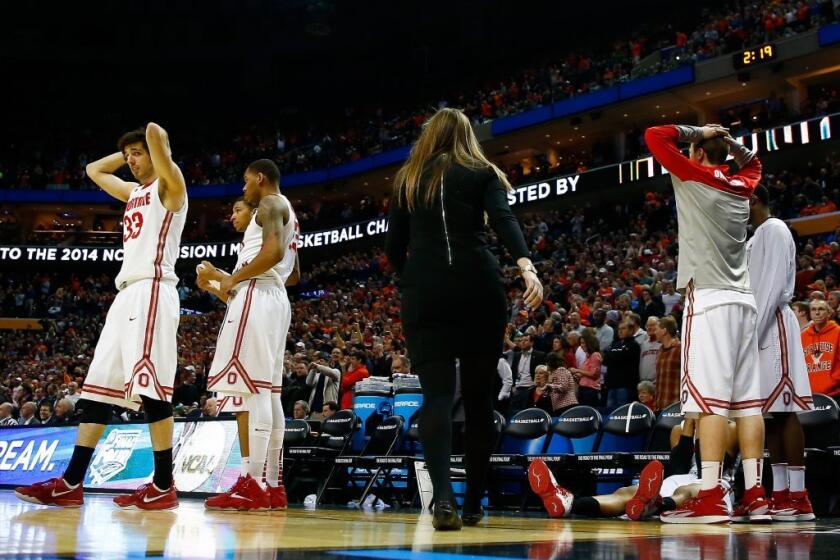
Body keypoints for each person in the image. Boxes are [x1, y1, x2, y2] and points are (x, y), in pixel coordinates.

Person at [385, 108, 542, 530]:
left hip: (425, 293)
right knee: (478, 401)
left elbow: (393, 248)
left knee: (435, 398)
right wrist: (526, 265)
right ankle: (473, 502)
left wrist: (412, 282)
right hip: (479, 287)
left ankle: (444, 502)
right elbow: (505, 219)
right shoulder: (483, 172)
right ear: (467, 135)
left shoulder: (408, 180)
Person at [16, 124, 187, 510]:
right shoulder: (135, 191)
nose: (130, 159)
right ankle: (71, 483)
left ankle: (164, 484)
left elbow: (158, 134)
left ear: (156, 154)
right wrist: (128, 151)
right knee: (97, 391)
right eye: (127, 154)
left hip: (152, 290)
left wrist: (153, 143)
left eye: (137, 153)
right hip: (124, 296)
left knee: (151, 389)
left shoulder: (170, 186)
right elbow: (95, 169)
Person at [645, 122, 766, 523]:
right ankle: (756, 495)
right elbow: (756, 164)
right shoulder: (742, 186)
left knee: (709, 402)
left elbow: (654, 136)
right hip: (743, 299)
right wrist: (731, 142)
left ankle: (711, 495)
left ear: (697, 153)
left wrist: (697, 130)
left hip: (710, 299)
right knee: (748, 405)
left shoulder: (692, 174)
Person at [199, 159, 300, 512]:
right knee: (269, 393)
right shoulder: (289, 211)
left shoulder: (271, 202)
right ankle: (273, 484)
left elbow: (271, 254)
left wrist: (235, 278)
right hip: (276, 299)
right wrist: (226, 278)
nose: (243, 188)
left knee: (253, 392)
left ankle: (253, 485)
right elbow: (292, 274)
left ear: (260, 178)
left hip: (258, 298)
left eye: (245, 181)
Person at [747, 183, 815, 521]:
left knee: (785, 409)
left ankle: (800, 495)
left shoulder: (774, 230)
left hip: (773, 323)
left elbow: (772, 288)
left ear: (753, 199)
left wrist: (751, 334)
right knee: (769, 413)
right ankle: (780, 492)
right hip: (760, 325)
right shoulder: (755, 236)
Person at [801, 299, 840, 398]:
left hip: (836, 393)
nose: (817, 313)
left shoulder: (838, 332)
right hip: (811, 394)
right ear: (810, 313)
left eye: (821, 309)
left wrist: (834, 380)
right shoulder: (803, 336)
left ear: (828, 313)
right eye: (813, 310)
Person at [602, 322, 641, 410]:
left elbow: (621, 358)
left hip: (625, 386)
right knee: (610, 413)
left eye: (623, 328)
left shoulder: (634, 345)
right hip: (612, 385)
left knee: (623, 412)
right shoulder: (615, 344)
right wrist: (616, 354)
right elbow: (605, 360)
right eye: (619, 329)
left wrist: (614, 354)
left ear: (631, 330)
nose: (620, 331)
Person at [511, 334, 547, 411]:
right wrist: (513, 385)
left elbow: (543, 372)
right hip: (517, 388)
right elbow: (513, 372)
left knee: (527, 411)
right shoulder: (516, 355)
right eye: (521, 340)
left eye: (525, 340)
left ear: (531, 343)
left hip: (531, 388)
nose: (522, 342)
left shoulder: (540, 355)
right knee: (513, 411)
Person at [654, 317, 682, 411]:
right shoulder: (660, 351)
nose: (655, 333)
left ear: (664, 331)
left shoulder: (680, 349)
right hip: (659, 406)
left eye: (656, 329)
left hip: (675, 407)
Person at [569, 330, 602, 408]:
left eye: (583, 343)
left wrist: (577, 370)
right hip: (583, 389)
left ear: (589, 343)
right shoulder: (588, 356)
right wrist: (578, 375)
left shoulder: (595, 355)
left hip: (590, 391)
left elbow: (593, 374)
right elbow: (586, 373)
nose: (581, 345)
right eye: (580, 343)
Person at [308, 356, 341, 420]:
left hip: (328, 409)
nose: (319, 363)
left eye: (321, 361)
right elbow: (308, 382)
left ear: (328, 362)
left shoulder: (336, 371)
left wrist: (317, 366)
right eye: (318, 362)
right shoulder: (317, 375)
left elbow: (330, 372)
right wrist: (313, 369)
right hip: (314, 409)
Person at [638, 316, 661, 384]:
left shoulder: (662, 344)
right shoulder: (643, 345)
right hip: (643, 384)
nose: (649, 328)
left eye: (652, 325)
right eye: (647, 326)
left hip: (657, 383)